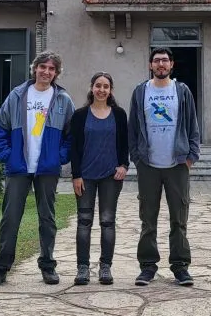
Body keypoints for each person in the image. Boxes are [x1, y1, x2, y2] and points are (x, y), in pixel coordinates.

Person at [0, 50, 75, 286]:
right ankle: (1, 267)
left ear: (56, 73)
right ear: (34, 68)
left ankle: (47, 265)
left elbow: (71, 134)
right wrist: (7, 156)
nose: (46, 72)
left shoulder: (63, 100)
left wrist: (60, 157)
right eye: (42, 67)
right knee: (10, 218)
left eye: (51, 69)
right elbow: (1, 128)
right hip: (18, 167)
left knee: (47, 218)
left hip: (47, 168)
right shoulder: (17, 95)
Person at [127, 47, 201, 287]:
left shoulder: (182, 91)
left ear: (171, 65)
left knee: (179, 219)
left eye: (165, 61)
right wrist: (137, 157)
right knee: (148, 219)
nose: (161, 64)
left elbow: (192, 124)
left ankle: (180, 267)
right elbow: (133, 128)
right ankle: (147, 266)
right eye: (157, 60)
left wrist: (191, 156)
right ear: (150, 65)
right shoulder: (141, 92)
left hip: (177, 164)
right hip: (148, 164)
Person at [69, 72, 129, 286]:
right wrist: (75, 175)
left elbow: (124, 143)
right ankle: (83, 268)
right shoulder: (80, 115)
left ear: (110, 90)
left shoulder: (119, 115)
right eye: (98, 85)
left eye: (106, 86)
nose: (101, 90)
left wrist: (124, 165)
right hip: (85, 177)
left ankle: (105, 267)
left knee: (107, 222)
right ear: (91, 88)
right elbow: (74, 148)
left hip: (110, 178)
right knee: (84, 222)